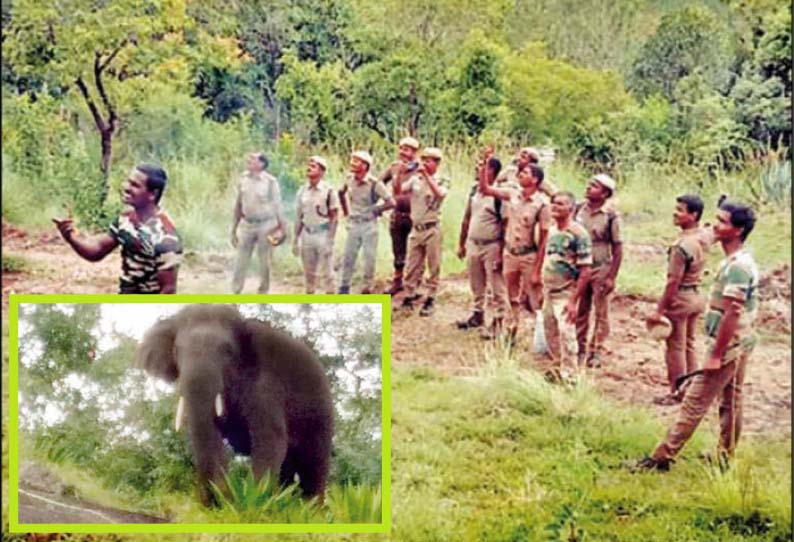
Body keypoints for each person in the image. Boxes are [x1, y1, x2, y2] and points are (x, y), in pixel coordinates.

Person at [633, 201, 759, 471]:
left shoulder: (738, 267)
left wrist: (715, 353)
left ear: (737, 230)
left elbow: (731, 314)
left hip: (729, 344)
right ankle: (726, 457)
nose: (715, 225)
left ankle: (662, 457)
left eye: (723, 222)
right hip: (740, 341)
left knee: (695, 401)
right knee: (731, 401)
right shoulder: (735, 261)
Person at [52, 164, 182, 294]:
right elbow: (97, 251)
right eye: (128, 182)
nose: (126, 187)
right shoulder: (126, 219)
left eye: (135, 185)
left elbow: (168, 291)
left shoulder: (165, 238)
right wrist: (70, 235)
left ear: (153, 194)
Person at [646, 195, 714, 405]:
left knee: (675, 347)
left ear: (693, 215)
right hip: (696, 295)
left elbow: (672, 281)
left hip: (680, 297)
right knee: (689, 344)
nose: (675, 213)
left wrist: (659, 310)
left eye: (681, 210)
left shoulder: (681, 246)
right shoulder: (702, 236)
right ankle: (693, 389)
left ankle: (677, 391)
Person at [479, 160, 550, 343]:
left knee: (536, 298)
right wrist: (483, 165)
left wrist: (537, 268)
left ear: (535, 179)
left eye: (525, 173)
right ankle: (511, 332)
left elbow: (543, 238)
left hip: (528, 255)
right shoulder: (513, 195)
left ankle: (543, 335)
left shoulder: (542, 203)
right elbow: (486, 189)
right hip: (511, 253)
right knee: (512, 296)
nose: (520, 174)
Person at [455, 149, 509, 338]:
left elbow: (505, 225)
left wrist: (502, 252)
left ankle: (498, 321)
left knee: (496, 286)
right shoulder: (474, 191)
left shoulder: (499, 196)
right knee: (476, 283)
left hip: (491, 245)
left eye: (483, 168)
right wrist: (461, 243)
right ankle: (478, 315)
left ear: (492, 172)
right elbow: (467, 218)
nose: (479, 171)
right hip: (473, 243)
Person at [542, 191, 592, 382]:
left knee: (567, 334)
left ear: (571, 208)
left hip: (565, 291)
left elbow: (586, 270)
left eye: (560, 204)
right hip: (549, 290)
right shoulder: (553, 230)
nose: (555, 207)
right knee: (551, 332)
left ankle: (570, 376)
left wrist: (573, 300)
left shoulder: (579, 234)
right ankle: (557, 368)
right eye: (553, 203)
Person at [574, 174, 623, 368]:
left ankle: (596, 350)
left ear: (604, 193)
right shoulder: (578, 209)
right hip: (580, 265)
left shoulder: (611, 216)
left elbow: (618, 248)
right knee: (580, 309)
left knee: (601, 311)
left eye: (595, 186)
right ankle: (579, 346)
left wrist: (612, 276)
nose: (589, 187)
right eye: (590, 183)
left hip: (600, 267)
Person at [398, 147, 448, 316]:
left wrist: (426, 176)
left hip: (432, 228)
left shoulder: (441, 179)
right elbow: (401, 190)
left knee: (433, 265)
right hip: (416, 228)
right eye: (423, 159)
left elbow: (440, 194)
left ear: (437, 163)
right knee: (412, 264)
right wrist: (402, 172)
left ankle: (431, 297)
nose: (425, 163)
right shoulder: (415, 179)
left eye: (429, 160)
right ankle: (410, 294)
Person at [338, 150, 395, 294]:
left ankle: (367, 288)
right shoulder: (349, 179)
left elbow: (391, 202)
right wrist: (346, 213)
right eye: (352, 160)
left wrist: (377, 210)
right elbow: (341, 192)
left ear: (365, 165)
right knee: (348, 256)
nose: (352, 163)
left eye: (356, 161)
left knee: (369, 258)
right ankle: (344, 287)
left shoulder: (374, 183)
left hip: (369, 225)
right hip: (354, 223)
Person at [230, 152, 287, 294]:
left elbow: (277, 206)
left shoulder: (270, 182)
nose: (249, 160)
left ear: (261, 164)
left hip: (266, 225)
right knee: (240, 260)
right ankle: (236, 291)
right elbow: (238, 204)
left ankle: (263, 293)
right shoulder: (243, 179)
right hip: (247, 224)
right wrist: (234, 228)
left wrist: (282, 229)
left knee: (264, 261)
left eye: (253, 159)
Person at [378, 136, 421, 295]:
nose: (403, 152)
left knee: (415, 251)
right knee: (397, 248)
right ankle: (397, 281)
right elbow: (379, 182)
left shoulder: (420, 169)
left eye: (407, 149)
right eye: (401, 148)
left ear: (415, 152)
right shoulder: (394, 167)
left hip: (414, 215)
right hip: (397, 213)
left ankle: (414, 283)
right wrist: (386, 199)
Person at [293, 156, 339, 294]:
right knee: (309, 273)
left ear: (322, 171)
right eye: (309, 165)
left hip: (323, 234)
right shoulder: (302, 191)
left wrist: (330, 240)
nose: (309, 168)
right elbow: (299, 216)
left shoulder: (328, 191)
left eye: (313, 166)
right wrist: (296, 239)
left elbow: (334, 217)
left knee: (327, 273)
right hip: (307, 234)